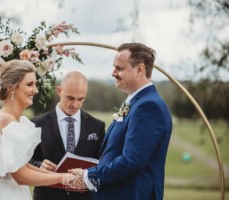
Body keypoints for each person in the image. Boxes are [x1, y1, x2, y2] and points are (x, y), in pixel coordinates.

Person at [70, 43, 173, 200]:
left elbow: (132, 161)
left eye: (119, 68)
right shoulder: (136, 102)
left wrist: (88, 177)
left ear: (140, 69)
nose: (113, 73)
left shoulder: (149, 106)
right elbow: (113, 150)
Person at [0, 60, 76, 200]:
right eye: (29, 84)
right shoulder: (5, 120)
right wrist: (63, 179)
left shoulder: (15, 120)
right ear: (11, 87)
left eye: (35, 84)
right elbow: (20, 176)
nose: (36, 90)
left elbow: (23, 166)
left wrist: (62, 175)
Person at [30, 71, 105, 200]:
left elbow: (103, 162)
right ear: (59, 91)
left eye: (81, 99)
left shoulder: (97, 126)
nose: (75, 104)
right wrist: (39, 165)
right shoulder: (36, 124)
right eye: (70, 98)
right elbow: (23, 161)